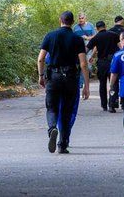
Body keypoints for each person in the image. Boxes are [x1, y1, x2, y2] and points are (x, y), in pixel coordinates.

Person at [37, 11, 91, 154]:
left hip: (53, 77)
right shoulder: (77, 39)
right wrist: (86, 85)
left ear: (60, 20)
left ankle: (52, 128)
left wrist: (41, 75)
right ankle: (62, 145)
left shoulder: (50, 36)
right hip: (71, 78)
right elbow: (83, 64)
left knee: (52, 108)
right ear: (72, 22)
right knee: (67, 112)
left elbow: (41, 59)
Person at [86, 21, 120, 112]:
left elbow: (86, 49)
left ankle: (104, 105)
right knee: (114, 83)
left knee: (102, 84)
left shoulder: (96, 37)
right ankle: (112, 104)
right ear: (105, 26)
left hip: (102, 63)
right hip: (113, 62)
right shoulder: (114, 35)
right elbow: (120, 47)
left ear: (97, 28)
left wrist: (90, 57)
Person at [106, 15, 124, 110]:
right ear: (122, 21)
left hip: (112, 58)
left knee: (113, 82)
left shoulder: (109, 32)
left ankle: (112, 103)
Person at [73, 13, 95, 90]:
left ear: (85, 18)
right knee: (80, 65)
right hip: (78, 49)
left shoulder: (90, 26)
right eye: (79, 18)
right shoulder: (75, 27)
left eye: (82, 18)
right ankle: (80, 83)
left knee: (88, 66)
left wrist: (87, 38)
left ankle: (86, 83)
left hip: (88, 48)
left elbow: (95, 36)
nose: (80, 20)